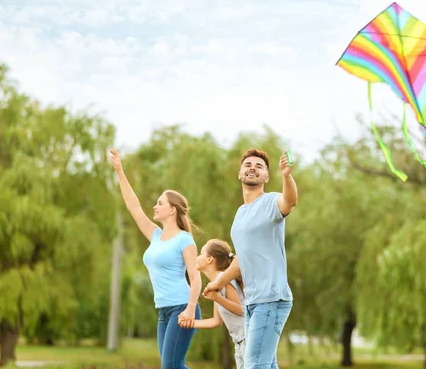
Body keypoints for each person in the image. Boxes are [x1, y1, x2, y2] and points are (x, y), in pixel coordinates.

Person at [203, 149, 298, 368]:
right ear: (239, 174)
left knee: (254, 364)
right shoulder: (240, 214)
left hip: (270, 298)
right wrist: (219, 281)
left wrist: (286, 175)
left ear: (266, 177)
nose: (252, 168)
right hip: (252, 301)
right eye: (247, 165)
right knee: (264, 364)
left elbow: (290, 201)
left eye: (259, 166)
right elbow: (241, 259)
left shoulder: (271, 202)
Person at [109, 149, 201, 369]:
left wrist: (190, 307)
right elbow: (134, 206)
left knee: (170, 366)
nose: (155, 206)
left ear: (172, 210)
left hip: (182, 307)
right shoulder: (156, 236)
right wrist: (120, 171)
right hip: (164, 310)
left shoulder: (184, 240)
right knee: (173, 365)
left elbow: (195, 278)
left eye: (160, 203)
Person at [179, 239, 246, 368]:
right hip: (238, 342)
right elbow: (216, 321)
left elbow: (241, 310)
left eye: (201, 253)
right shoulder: (216, 283)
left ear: (210, 259)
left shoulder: (223, 280)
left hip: (247, 339)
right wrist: (188, 322)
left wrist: (217, 298)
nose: (197, 257)